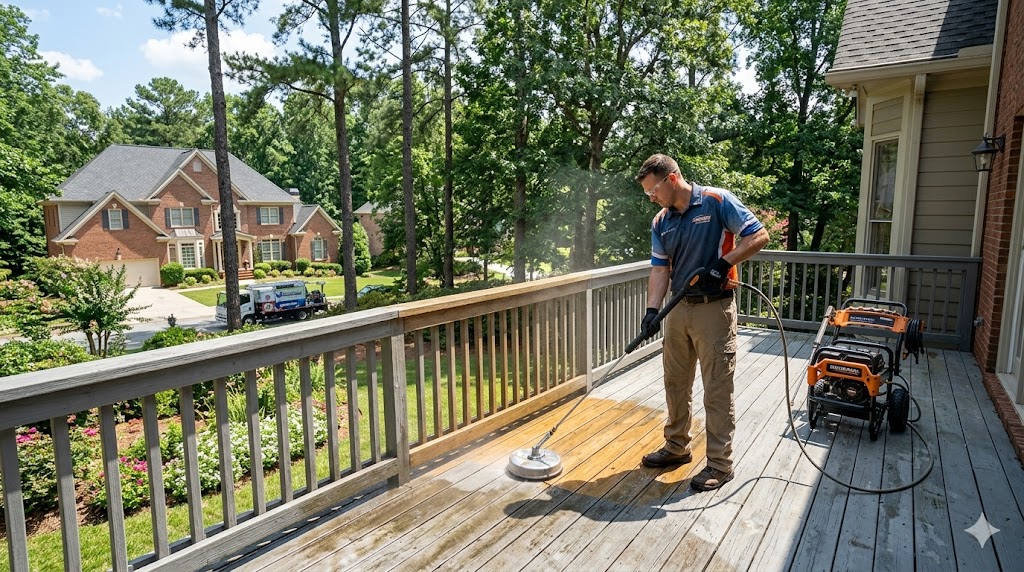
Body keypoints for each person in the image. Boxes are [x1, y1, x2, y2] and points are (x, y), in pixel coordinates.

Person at [634, 153, 769, 491]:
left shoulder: (716, 200)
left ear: (672, 178)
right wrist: (652, 311)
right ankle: (677, 447)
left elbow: (759, 235)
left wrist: (724, 263)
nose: (652, 198)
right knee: (675, 382)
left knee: (717, 388)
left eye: (653, 191)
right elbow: (659, 268)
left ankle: (720, 465)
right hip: (678, 309)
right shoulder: (661, 221)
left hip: (714, 308)